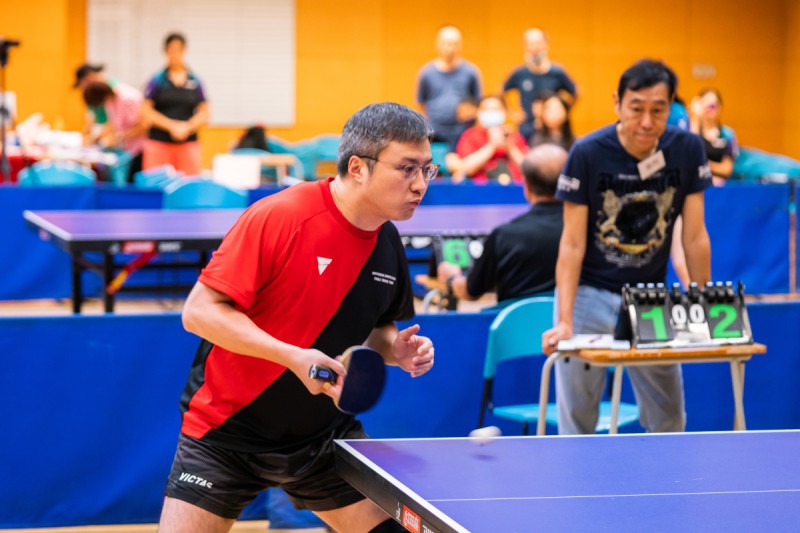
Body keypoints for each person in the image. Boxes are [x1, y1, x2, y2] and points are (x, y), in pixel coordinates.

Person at [158, 102, 436, 533]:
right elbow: (199, 312)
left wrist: (394, 350)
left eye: (427, 169)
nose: (420, 184)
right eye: (406, 169)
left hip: (321, 436)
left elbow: (380, 328)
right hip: (225, 432)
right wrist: (292, 356)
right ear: (358, 168)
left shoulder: (387, 241)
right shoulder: (282, 216)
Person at [541, 59, 712, 435]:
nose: (647, 122)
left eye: (658, 110)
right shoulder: (587, 152)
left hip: (650, 299)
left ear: (671, 107)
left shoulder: (687, 149)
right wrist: (565, 319)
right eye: (637, 109)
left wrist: (703, 303)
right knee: (577, 419)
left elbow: (695, 236)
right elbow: (571, 243)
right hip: (588, 294)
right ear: (617, 103)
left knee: (668, 418)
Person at [437, 143, 566, 305]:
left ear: (526, 185)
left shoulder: (503, 236)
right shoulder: (587, 232)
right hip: (573, 320)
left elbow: (471, 292)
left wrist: (452, 277)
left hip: (516, 321)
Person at [142, 32, 210, 175]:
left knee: (188, 184)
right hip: (159, 143)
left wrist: (188, 127)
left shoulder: (195, 80)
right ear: (165, 51)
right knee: (157, 184)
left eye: (178, 50)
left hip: (188, 144)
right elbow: (146, 110)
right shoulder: (157, 79)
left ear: (184, 51)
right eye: (171, 50)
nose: (175, 54)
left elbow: (205, 112)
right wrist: (171, 126)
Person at [415, 25, 482, 151]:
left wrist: (470, 112)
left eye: (454, 43)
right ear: (437, 44)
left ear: (460, 45)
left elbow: (478, 103)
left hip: (463, 132)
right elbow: (421, 104)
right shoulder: (426, 73)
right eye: (445, 43)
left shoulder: (471, 72)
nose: (450, 48)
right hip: (434, 132)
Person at [503, 28, 577, 140]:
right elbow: (502, 91)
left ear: (546, 44)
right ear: (525, 46)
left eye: (538, 43)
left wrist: (562, 112)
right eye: (530, 43)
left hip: (552, 128)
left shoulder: (557, 72)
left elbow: (575, 92)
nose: (535, 47)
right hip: (527, 127)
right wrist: (512, 113)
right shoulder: (520, 73)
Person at [454, 95, 528, 184]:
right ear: (478, 112)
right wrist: (492, 145)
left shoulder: (514, 136)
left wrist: (510, 147)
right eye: (486, 109)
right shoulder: (470, 135)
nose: (491, 113)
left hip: (513, 187)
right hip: (479, 188)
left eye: (496, 109)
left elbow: (528, 169)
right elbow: (465, 168)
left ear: (505, 111)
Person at [82, 81, 146, 182]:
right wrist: (96, 136)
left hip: (140, 149)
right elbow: (113, 123)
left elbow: (144, 125)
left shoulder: (127, 99)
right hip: (127, 148)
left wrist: (120, 136)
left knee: (131, 182)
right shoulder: (110, 101)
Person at [690, 88, 739, 185]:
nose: (709, 108)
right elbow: (691, 156)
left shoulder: (727, 133)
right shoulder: (692, 129)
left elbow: (727, 169)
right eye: (705, 104)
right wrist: (695, 118)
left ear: (719, 107)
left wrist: (704, 165)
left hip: (720, 185)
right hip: (695, 183)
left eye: (712, 105)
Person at [73, 63, 116, 145]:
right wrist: (85, 134)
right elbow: (91, 116)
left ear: (89, 77)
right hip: (104, 131)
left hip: (116, 134)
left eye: (82, 84)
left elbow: (115, 121)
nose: (82, 88)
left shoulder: (111, 90)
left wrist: (97, 136)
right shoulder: (92, 93)